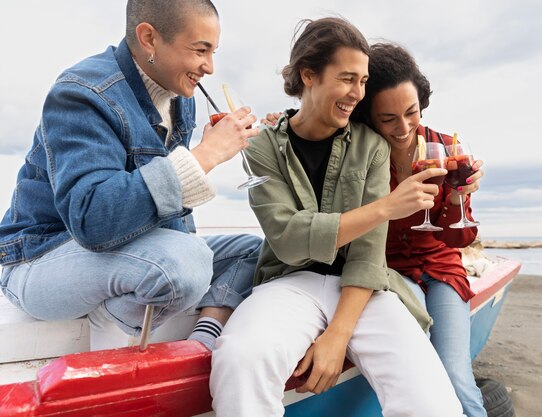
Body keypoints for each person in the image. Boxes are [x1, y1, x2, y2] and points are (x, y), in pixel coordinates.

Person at [210, 17, 466, 417]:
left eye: (363, 81)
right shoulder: (262, 148)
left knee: (434, 402)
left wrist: (337, 335)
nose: (357, 93)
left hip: (364, 290)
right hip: (289, 282)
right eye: (348, 78)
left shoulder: (371, 146)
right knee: (241, 358)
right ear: (308, 75)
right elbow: (289, 240)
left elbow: (367, 254)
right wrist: (386, 207)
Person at [0, 0, 261, 352]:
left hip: (122, 256)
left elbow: (167, 217)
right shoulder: (81, 93)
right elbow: (94, 221)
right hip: (42, 258)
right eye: (200, 51)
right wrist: (203, 157)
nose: (210, 67)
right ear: (149, 38)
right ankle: (109, 327)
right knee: (187, 263)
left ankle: (203, 339)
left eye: (213, 52)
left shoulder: (180, 99)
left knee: (257, 252)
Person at [350, 42, 486, 417]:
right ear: (370, 117)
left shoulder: (446, 149)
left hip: (441, 269)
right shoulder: (360, 154)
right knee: (419, 369)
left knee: (456, 376)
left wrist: (458, 198)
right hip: (388, 273)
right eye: (388, 118)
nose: (404, 127)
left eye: (411, 112)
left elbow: (458, 239)